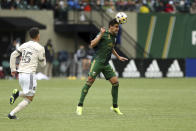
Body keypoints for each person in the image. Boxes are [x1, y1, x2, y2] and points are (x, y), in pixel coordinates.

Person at [76, 19, 128, 115]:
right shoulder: (103, 34)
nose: (118, 28)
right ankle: (79, 106)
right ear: (110, 26)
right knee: (90, 81)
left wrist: (118, 56)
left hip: (105, 64)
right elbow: (92, 44)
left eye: (118, 27)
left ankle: (115, 107)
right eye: (116, 26)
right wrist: (100, 34)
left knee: (115, 83)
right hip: (97, 61)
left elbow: (111, 48)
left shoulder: (114, 37)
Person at [8, 27, 46, 119]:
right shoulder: (40, 48)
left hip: (20, 74)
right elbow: (43, 64)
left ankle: (17, 94)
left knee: (29, 94)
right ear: (37, 35)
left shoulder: (24, 45)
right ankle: (11, 114)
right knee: (30, 97)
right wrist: (42, 59)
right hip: (29, 75)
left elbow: (13, 55)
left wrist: (13, 69)